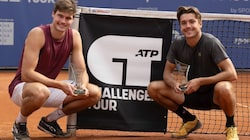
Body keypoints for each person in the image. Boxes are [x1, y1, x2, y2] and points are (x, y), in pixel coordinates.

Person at [8, 0, 101, 139]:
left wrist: (81, 85)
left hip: (48, 88)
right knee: (41, 91)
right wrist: (59, 85)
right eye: (60, 16)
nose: (63, 21)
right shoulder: (37, 34)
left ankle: (49, 121)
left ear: (73, 18)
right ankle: (19, 123)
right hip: (23, 88)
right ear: (53, 14)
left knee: (94, 93)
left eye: (68, 18)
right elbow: (27, 74)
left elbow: (80, 70)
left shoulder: (74, 36)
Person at [147, 6, 239, 140]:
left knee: (225, 87)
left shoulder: (211, 43)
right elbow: (167, 73)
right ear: (180, 26)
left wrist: (200, 81)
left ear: (200, 23)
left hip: (214, 95)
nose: (188, 26)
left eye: (192, 22)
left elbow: (231, 74)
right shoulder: (177, 44)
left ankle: (231, 126)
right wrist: (174, 84)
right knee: (154, 88)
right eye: (184, 23)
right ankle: (189, 120)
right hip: (189, 93)